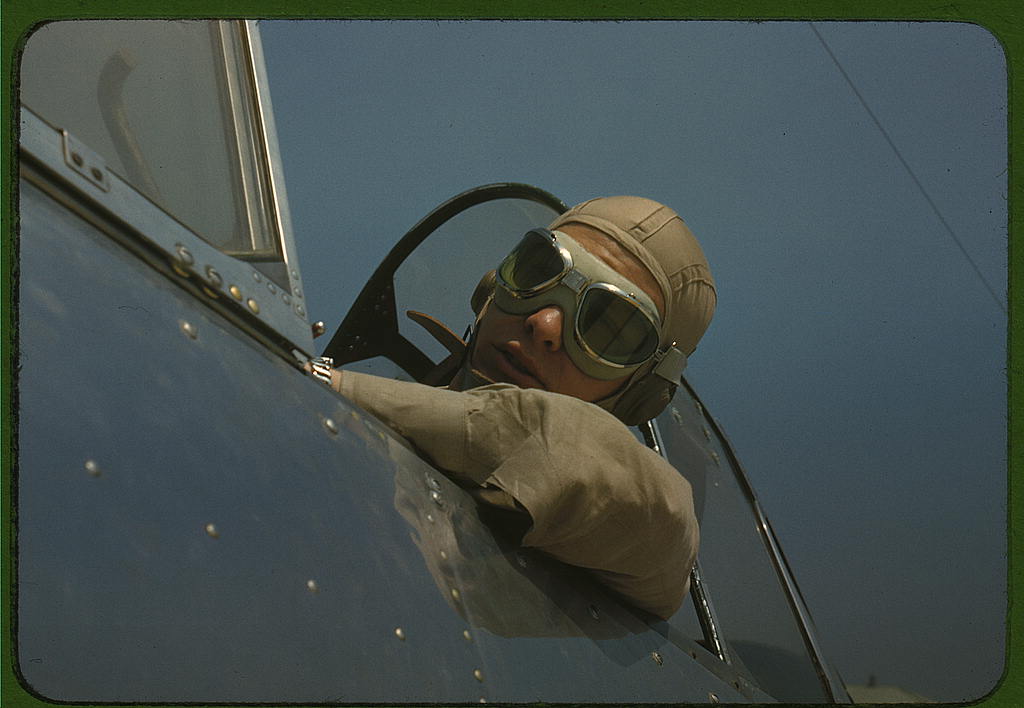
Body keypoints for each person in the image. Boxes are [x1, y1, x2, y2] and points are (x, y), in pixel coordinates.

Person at [308, 196, 716, 620]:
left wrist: (325, 385)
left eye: (606, 328)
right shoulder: (356, 424)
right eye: (539, 272)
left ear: (640, 392)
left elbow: (561, 439)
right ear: (491, 289)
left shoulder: (647, 522)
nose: (543, 324)